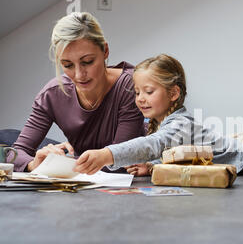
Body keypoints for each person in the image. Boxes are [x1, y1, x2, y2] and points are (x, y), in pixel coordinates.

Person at [73, 54, 243, 176]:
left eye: (148, 91)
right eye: (136, 92)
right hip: (226, 144)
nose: (140, 98)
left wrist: (107, 153)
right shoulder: (159, 123)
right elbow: (171, 154)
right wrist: (152, 166)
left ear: (174, 94)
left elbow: (154, 145)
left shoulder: (178, 123)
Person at [8, 12, 144, 172]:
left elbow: (120, 159)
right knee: (6, 135)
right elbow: (14, 155)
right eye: (67, 65)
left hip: (128, 172)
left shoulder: (131, 85)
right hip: (83, 171)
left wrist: (63, 162)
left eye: (87, 62)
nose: (79, 75)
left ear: (105, 51)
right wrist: (34, 164)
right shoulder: (52, 94)